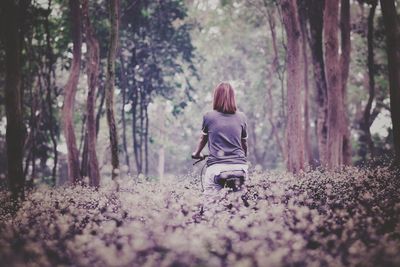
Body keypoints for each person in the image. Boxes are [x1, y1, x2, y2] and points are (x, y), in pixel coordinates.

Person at [192, 82, 248, 198]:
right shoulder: (242, 117)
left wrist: (197, 153)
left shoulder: (209, 116)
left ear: (216, 97)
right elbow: (244, 144)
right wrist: (243, 157)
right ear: (233, 97)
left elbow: (203, 139)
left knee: (211, 207)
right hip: (240, 167)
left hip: (217, 168)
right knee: (240, 206)